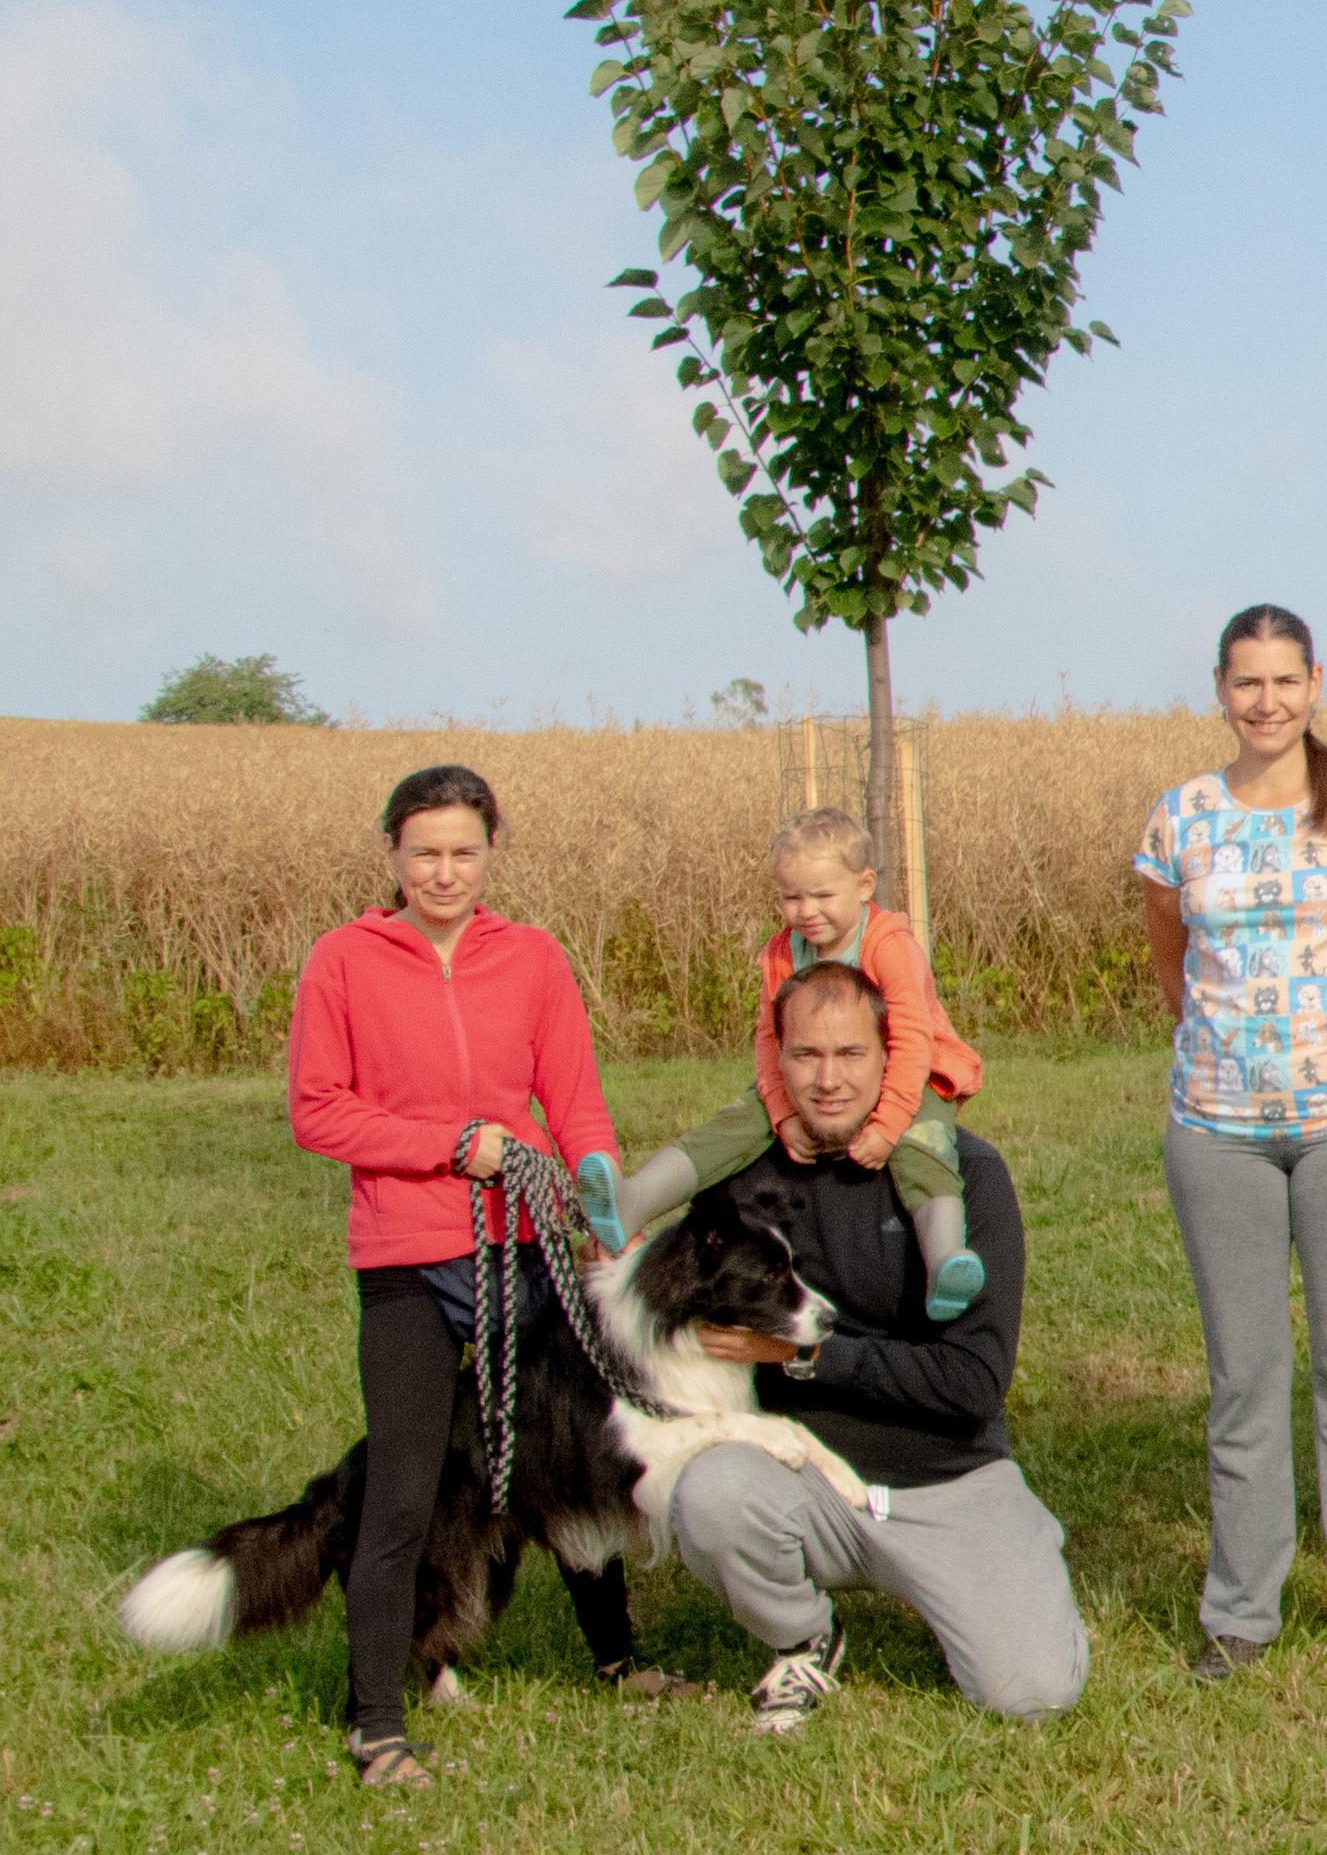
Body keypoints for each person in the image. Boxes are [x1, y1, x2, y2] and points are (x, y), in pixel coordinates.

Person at [284, 764, 650, 1786]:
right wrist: (448, 1145)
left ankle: (618, 1659)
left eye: (463, 852)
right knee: (404, 1489)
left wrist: (596, 1188)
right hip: (405, 1253)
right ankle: (377, 1719)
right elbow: (318, 1111)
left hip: (523, 1245)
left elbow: (572, 1098)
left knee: (563, 1457)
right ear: (392, 857)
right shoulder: (342, 962)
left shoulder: (531, 958)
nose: (443, 872)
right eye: (423, 853)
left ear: (490, 853)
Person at [1134, 603, 1327, 1681]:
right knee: (1244, 1374)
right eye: (1244, 683)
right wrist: (1239, 1058)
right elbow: (1176, 971)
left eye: (1284, 682)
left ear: (1316, 684)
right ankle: (1240, 1611)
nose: (1265, 702)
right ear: (1220, 689)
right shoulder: (1180, 821)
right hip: (1217, 1133)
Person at [667, 961, 1088, 1729]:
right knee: (707, 1492)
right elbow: (664, 1304)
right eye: (806, 1055)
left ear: (892, 1055)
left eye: (850, 1054)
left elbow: (973, 1384)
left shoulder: (965, 1177)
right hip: (806, 1477)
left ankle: (1001, 1559)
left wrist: (805, 1356)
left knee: (1034, 1693)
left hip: (946, 1477)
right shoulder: (744, 1185)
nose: (827, 1080)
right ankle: (803, 1635)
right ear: (777, 1058)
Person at [599, 807, 987, 1318]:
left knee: (926, 1149)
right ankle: (634, 1201)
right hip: (804, 1078)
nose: (806, 911)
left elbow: (912, 1039)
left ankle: (944, 1262)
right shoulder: (780, 953)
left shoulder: (889, 945)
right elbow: (768, 1038)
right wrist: (781, 1110)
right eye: (791, 897)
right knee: (732, 1126)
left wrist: (890, 1124)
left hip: (910, 1077)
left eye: (823, 895)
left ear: (864, 885)